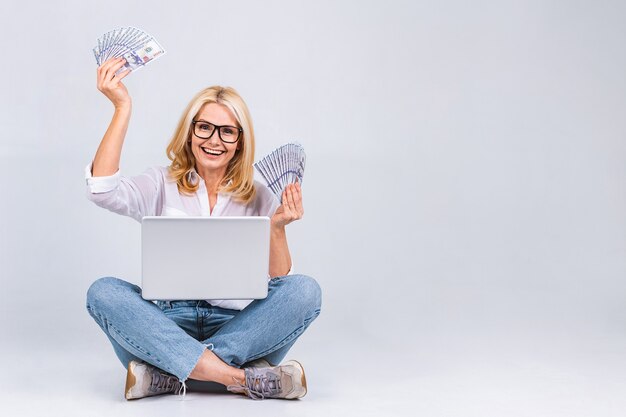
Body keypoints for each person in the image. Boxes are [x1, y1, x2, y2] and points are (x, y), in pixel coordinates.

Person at [84, 57, 322, 401]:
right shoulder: (160, 183)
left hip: (237, 329)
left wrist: (277, 228)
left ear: (240, 140)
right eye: (204, 127)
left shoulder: (258, 193)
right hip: (165, 324)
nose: (214, 140)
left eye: (227, 131)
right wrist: (122, 106)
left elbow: (280, 277)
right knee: (103, 291)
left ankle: (167, 375)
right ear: (190, 131)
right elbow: (101, 190)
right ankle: (238, 379)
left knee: (305, 291)